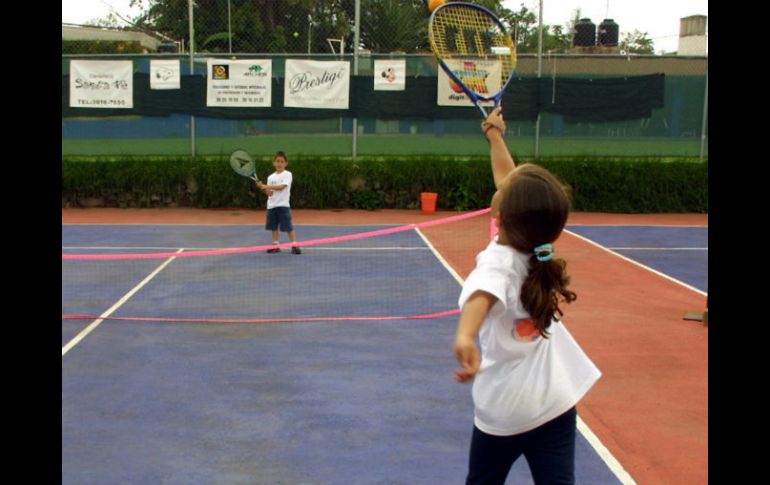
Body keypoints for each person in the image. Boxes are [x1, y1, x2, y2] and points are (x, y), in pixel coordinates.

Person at [453, 106, 601, 485]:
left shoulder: (499, 260)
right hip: (556, 404)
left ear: (499, 217)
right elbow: (509, 179)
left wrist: (466, 334)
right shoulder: (535, 245)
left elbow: (482, 293)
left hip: (505, 413)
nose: (502, 185)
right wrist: (495, 135)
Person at [256, 151, 301, 254]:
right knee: (273, 227)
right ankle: (276, 245)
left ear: (286, 163)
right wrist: (262, 188)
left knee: (288, 226)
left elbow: (282, 187)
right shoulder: (270, 177)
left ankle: (295, 245)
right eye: (278, 161)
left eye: (282, 161)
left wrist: (266, 186)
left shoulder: (287, 174)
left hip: (283, 205)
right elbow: (270, 193)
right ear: (274, 163)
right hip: (271, 206)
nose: (279, 163)